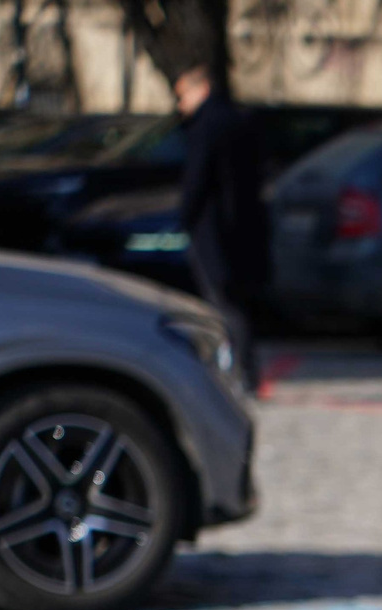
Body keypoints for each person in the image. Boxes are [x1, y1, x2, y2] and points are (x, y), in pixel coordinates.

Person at [171, 61, 267, 390]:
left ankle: (236, 370)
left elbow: (197, 178)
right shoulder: (241, 120)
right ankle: (244, 368)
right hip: (243, 225)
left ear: (203, 89)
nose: (181, 105)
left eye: (184, 96)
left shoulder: (206, 126)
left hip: (212, 227)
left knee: (221, 302)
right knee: (236, 301)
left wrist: (183, 217)